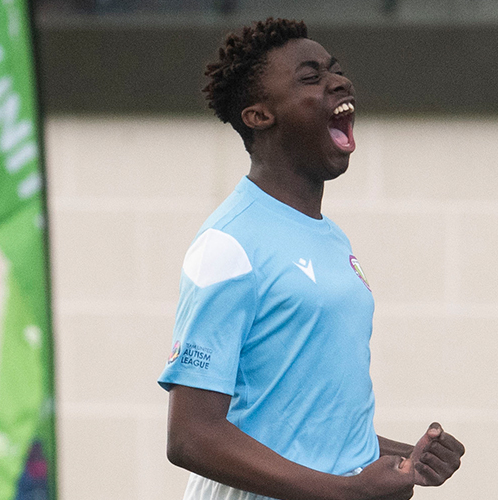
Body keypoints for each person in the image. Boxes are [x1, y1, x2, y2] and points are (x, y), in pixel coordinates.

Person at [157, 18, 465, 500]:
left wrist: (403, 459)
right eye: (310, 77)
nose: (338, 82)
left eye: (335, 70)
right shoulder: (228, 244)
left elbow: (304, 425)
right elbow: (191, 437)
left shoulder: (333, 239)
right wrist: (346, 492)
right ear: (259, 115)